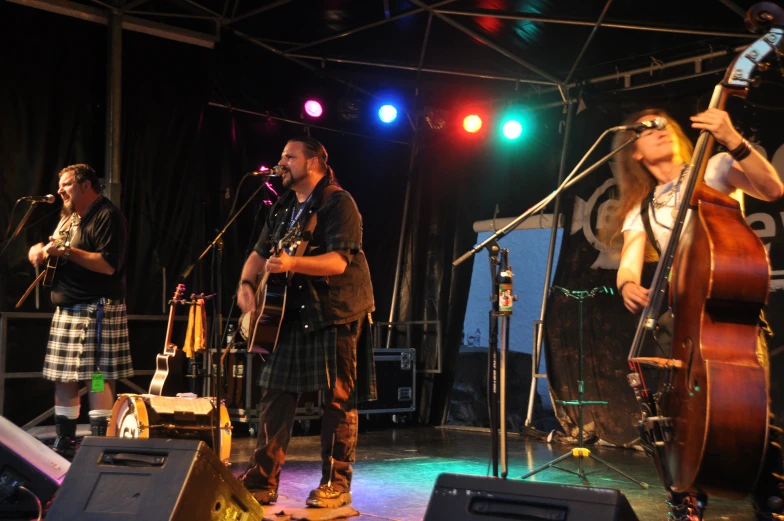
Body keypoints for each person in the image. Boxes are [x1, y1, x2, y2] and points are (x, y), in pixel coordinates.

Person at [606, 108, 784, 520]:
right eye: (647, 128)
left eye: (663, 123)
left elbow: (773, 189)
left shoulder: (716, 169)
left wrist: (734, 140)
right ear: (633, 152)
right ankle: (685, 499)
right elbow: (629, 262)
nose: (659, 130)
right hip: (681, 324)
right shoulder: (643, 208)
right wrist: (628, 285)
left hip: (727, 315)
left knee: (749, 415)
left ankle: (773, 500)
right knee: (677, 416)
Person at [236, 136, 375, 509]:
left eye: (289, 156)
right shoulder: (283, 207)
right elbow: (258, 254)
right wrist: (247, 285)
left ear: (313, 162)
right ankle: (261, 481)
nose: (281, 162)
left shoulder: (337, 202)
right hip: (287, 315)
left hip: (333, 311)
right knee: (275, 396)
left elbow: (338, 262)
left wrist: (294, 263)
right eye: (281, 155)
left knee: (337, 399)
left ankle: (336, 483)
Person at [27, 164, 131, 458]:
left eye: (67, 184)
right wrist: (40, 252)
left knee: (96, 376)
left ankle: (100, 440)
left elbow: (108, 265)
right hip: (67, 308)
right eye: (60, 185)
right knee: (64, 377)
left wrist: (67, 252)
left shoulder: (107, 216)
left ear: (86, 185)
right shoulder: (70, 219)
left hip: (96, 308)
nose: (60, 190)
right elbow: (55, 251)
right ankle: (65, 440)